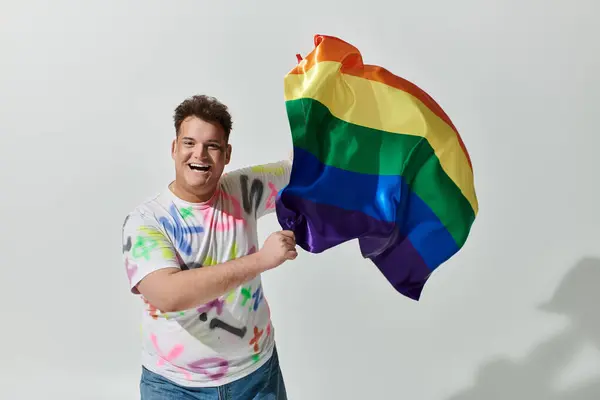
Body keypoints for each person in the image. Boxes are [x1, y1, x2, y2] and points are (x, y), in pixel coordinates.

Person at [121, 94, 296, 399]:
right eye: (189, 143)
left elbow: (306, 173)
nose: (199, 154)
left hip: (257, 377)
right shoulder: (147, 221)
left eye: (212, 146)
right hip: (175, 387)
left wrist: (325, 108)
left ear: (226, 154)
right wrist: (262, 260)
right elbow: (170, 295)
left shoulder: (243, 190)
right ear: (174, 149)